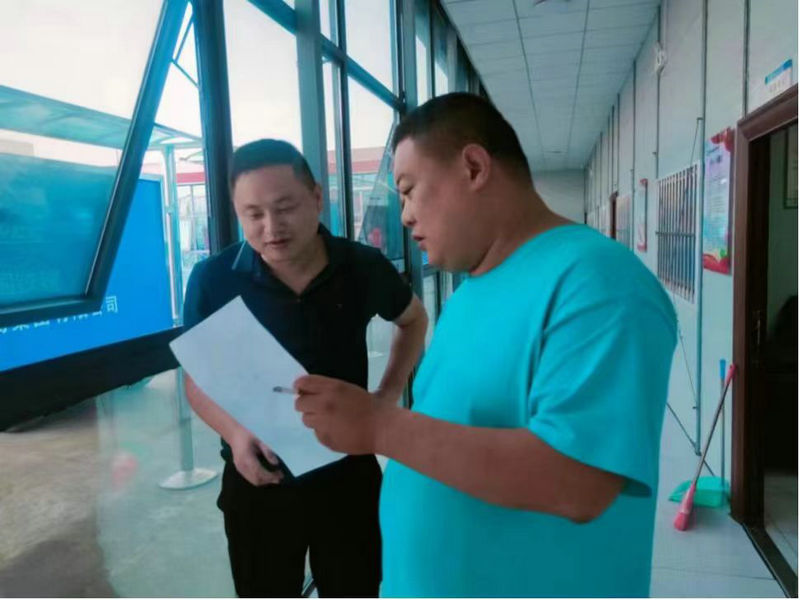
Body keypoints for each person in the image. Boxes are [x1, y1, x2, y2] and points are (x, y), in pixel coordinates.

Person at [294, 93, 678, 597]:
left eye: (408, 190)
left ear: (474, 167)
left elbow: (579, 480)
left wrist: (378, 425)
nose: (404, 215)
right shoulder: (470, 292)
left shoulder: (599, 283)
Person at [182, 139, 427, 598]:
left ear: (316, 197)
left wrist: (385, 399)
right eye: (253, 214)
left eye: (285, 208)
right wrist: (235, 434)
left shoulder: (361, 266)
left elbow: (413, 320)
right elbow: (197, 380)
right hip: (259, 478)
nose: (271, 227)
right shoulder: (214, 280)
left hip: (346, 474)